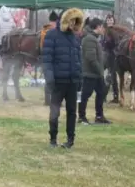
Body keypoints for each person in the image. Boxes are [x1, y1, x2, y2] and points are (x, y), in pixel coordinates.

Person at [42, 8, 84, 149]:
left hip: (72, 81)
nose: (73, 24)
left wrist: (79, 79)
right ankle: (53, 138)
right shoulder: (51, 35)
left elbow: (79, 60)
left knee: (72, 111)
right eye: (71, 20)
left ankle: (70, 139)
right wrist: (50, 78)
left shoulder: (75, 37)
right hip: (58, 81)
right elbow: (47, 59)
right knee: (55, 111)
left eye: (75, 21)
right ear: (65, 20)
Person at [78, 18, 111, 125]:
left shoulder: (94, 38)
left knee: (101, 93)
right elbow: (91, 58)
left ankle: (99, 116)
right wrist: (101, 71)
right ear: (98, 27)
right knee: (85, 95)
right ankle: (81, 117)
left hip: (96, 74)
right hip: (90, 74)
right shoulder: (89, 39)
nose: (104, 30)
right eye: (103, 27)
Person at [0, 6, 16, 84]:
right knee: (7, 63)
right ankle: (5, 80)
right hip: (8, 45)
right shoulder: (12, 21)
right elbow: (14, 32)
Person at [103, 13, 119, 103]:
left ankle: (108, 96)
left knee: (111, 76)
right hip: (105, 55)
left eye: (111, 20)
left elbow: (117, 44)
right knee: (109, 76)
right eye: (108, 20)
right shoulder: (105, 30)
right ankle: (113, 96)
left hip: (112, 56)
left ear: (113, 21)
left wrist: (114, 52)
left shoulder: (114, 31)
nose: (109, 21)